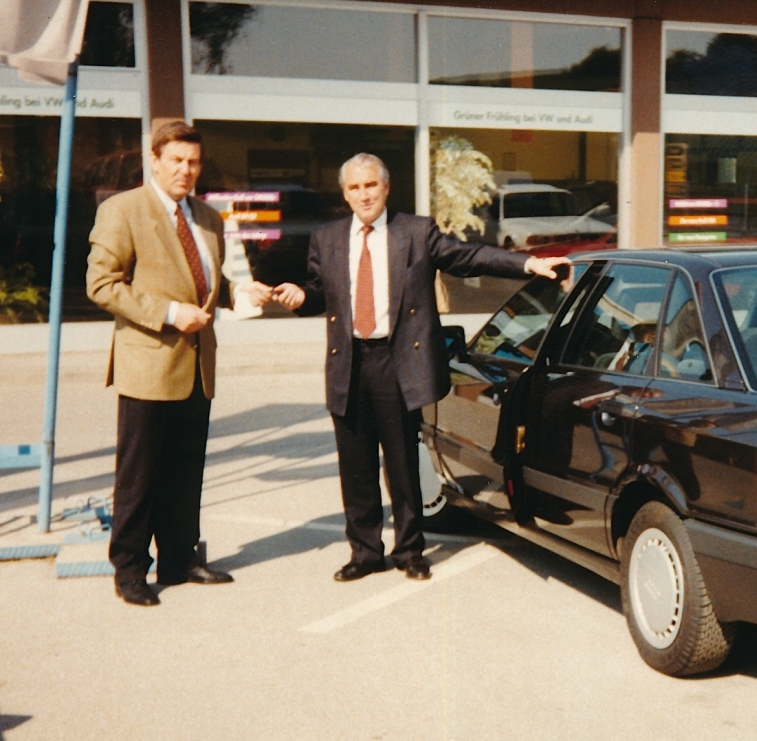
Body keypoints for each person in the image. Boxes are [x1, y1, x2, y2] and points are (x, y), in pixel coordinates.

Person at [270, 153, 569, 582]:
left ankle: (410, 550)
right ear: (345, 193)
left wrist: (527, 264)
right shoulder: (328, 238)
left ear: (386, 187)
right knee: (355, 467)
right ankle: (365, 552)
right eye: (354, 188)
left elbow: (467, 257)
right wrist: (302, 297)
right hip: (350, 362)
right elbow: (319, 290)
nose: (364, 194)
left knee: (402, 464)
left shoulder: (415, 231)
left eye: (371, 185)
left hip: (397, 363)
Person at [86, 121, 271, 606]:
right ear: (154, 160)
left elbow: (210, 282)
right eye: (176, 161)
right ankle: (129, 569)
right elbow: (102, 284)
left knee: (187, 470)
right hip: (148, 363)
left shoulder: (209, 217)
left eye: (193, 162)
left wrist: (240, 290)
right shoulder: (122, 210)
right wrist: (168, 314)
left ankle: (179, 558)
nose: (186, 171)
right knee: (139, 475)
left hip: (197, 365)